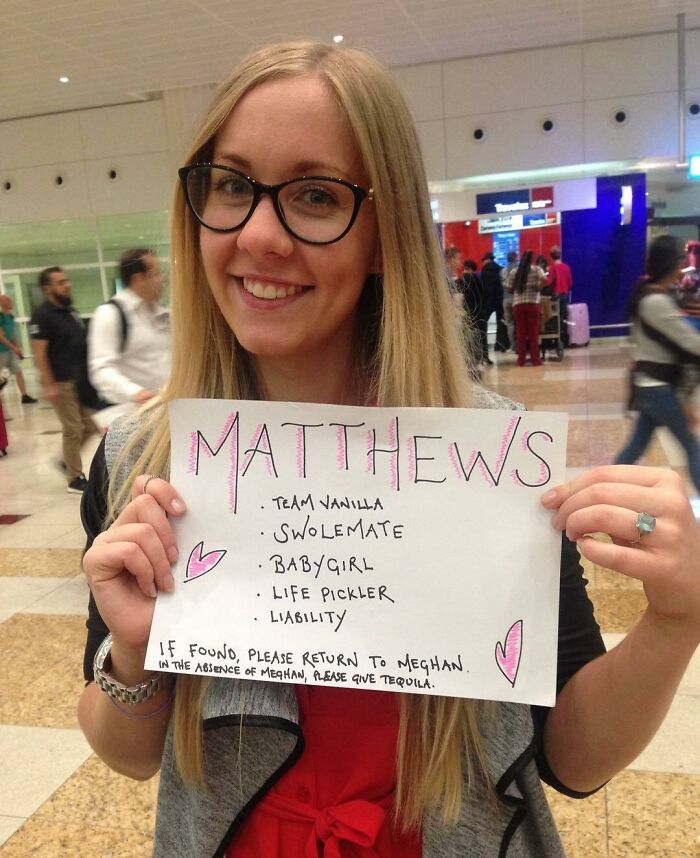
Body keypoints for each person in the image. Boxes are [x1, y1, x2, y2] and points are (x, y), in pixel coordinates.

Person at [77, 42, 700, 858]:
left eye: (315, 196)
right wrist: (134, 653)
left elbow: (571, 761)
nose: (259, 234)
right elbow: (128, 756)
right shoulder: (141, 455)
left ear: (385, 234)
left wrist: (674, 623)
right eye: (231, 185)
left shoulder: (486, 461)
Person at [615, 235, 700, 492]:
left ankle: (606, 486)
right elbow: (693, 344)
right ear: (672, 264)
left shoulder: (649, 293)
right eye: (681, 260)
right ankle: (606, 487)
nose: (683, 266)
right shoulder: (656, 301)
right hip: (659, 389)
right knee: (692, 448)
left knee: (635, 448)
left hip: (648, 386)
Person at [30, 267, 97, 493]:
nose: (67, 285)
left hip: (79, 380)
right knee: (73, 428)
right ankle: (74, 478)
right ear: (47, 288)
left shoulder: (70, 311)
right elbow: (39, 353)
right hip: (61, 382)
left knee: (90, 426)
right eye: (60, 282)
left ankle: (65, 461)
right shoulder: (42, 315)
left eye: (66, 281)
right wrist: (48, 384)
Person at [88, 249, 171, 406]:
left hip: (166, 406)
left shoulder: (161, 313)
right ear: (139, 279)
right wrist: (135, 392)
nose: (163, 279)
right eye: (157, 273)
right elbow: (101, 369)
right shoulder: (110, 313)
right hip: (134, 410)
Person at [508, 250, 546, 367]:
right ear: (532, 259)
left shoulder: (515, 271)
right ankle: (536, 360)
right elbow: (544, 280)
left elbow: (509, 288)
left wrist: (517, 290)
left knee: (520, 334)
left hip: (518, 305)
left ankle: (521, 360)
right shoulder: (537, 269)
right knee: (533, 333)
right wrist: (538, 288)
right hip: (533, 304)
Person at [0, 294, 37, 403]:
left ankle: (24, 396)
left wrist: (17, 348)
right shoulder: (0, 317)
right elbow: (1, 337)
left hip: (8, 351)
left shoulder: (10, 317)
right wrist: (14, 348)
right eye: (7, 300)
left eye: (10, 300)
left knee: (18, 371)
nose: (10, 302)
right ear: (2, 303)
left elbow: (11, 334)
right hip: (1, 352)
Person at [479, 252, 504, 366]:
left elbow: (482, 287)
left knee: (484, 327)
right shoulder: (500, 269)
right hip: (499, 301)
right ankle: (501, 345)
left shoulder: (484, 271)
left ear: (486, 260)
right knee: (500, 322)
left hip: (487, 301)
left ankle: (485, 353)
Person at [547, 246, 573, 349]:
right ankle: (565, 340)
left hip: (556, 296)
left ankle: (557, 341)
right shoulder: (566, 267)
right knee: (564, 318)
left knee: (556, 319)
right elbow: (570, 284)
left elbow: (549, 282)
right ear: (560, 255)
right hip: (565, 296)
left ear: (551, 257)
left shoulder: (552, 268)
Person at [500, 249, 518, 352]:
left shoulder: (503, 271)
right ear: (516, 258)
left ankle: (513, 346)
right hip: (517, 298)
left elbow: (503, 285)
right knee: (519, 323)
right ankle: (521, 345)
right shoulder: (519, 269)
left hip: (506, 299)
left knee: (510, 324)